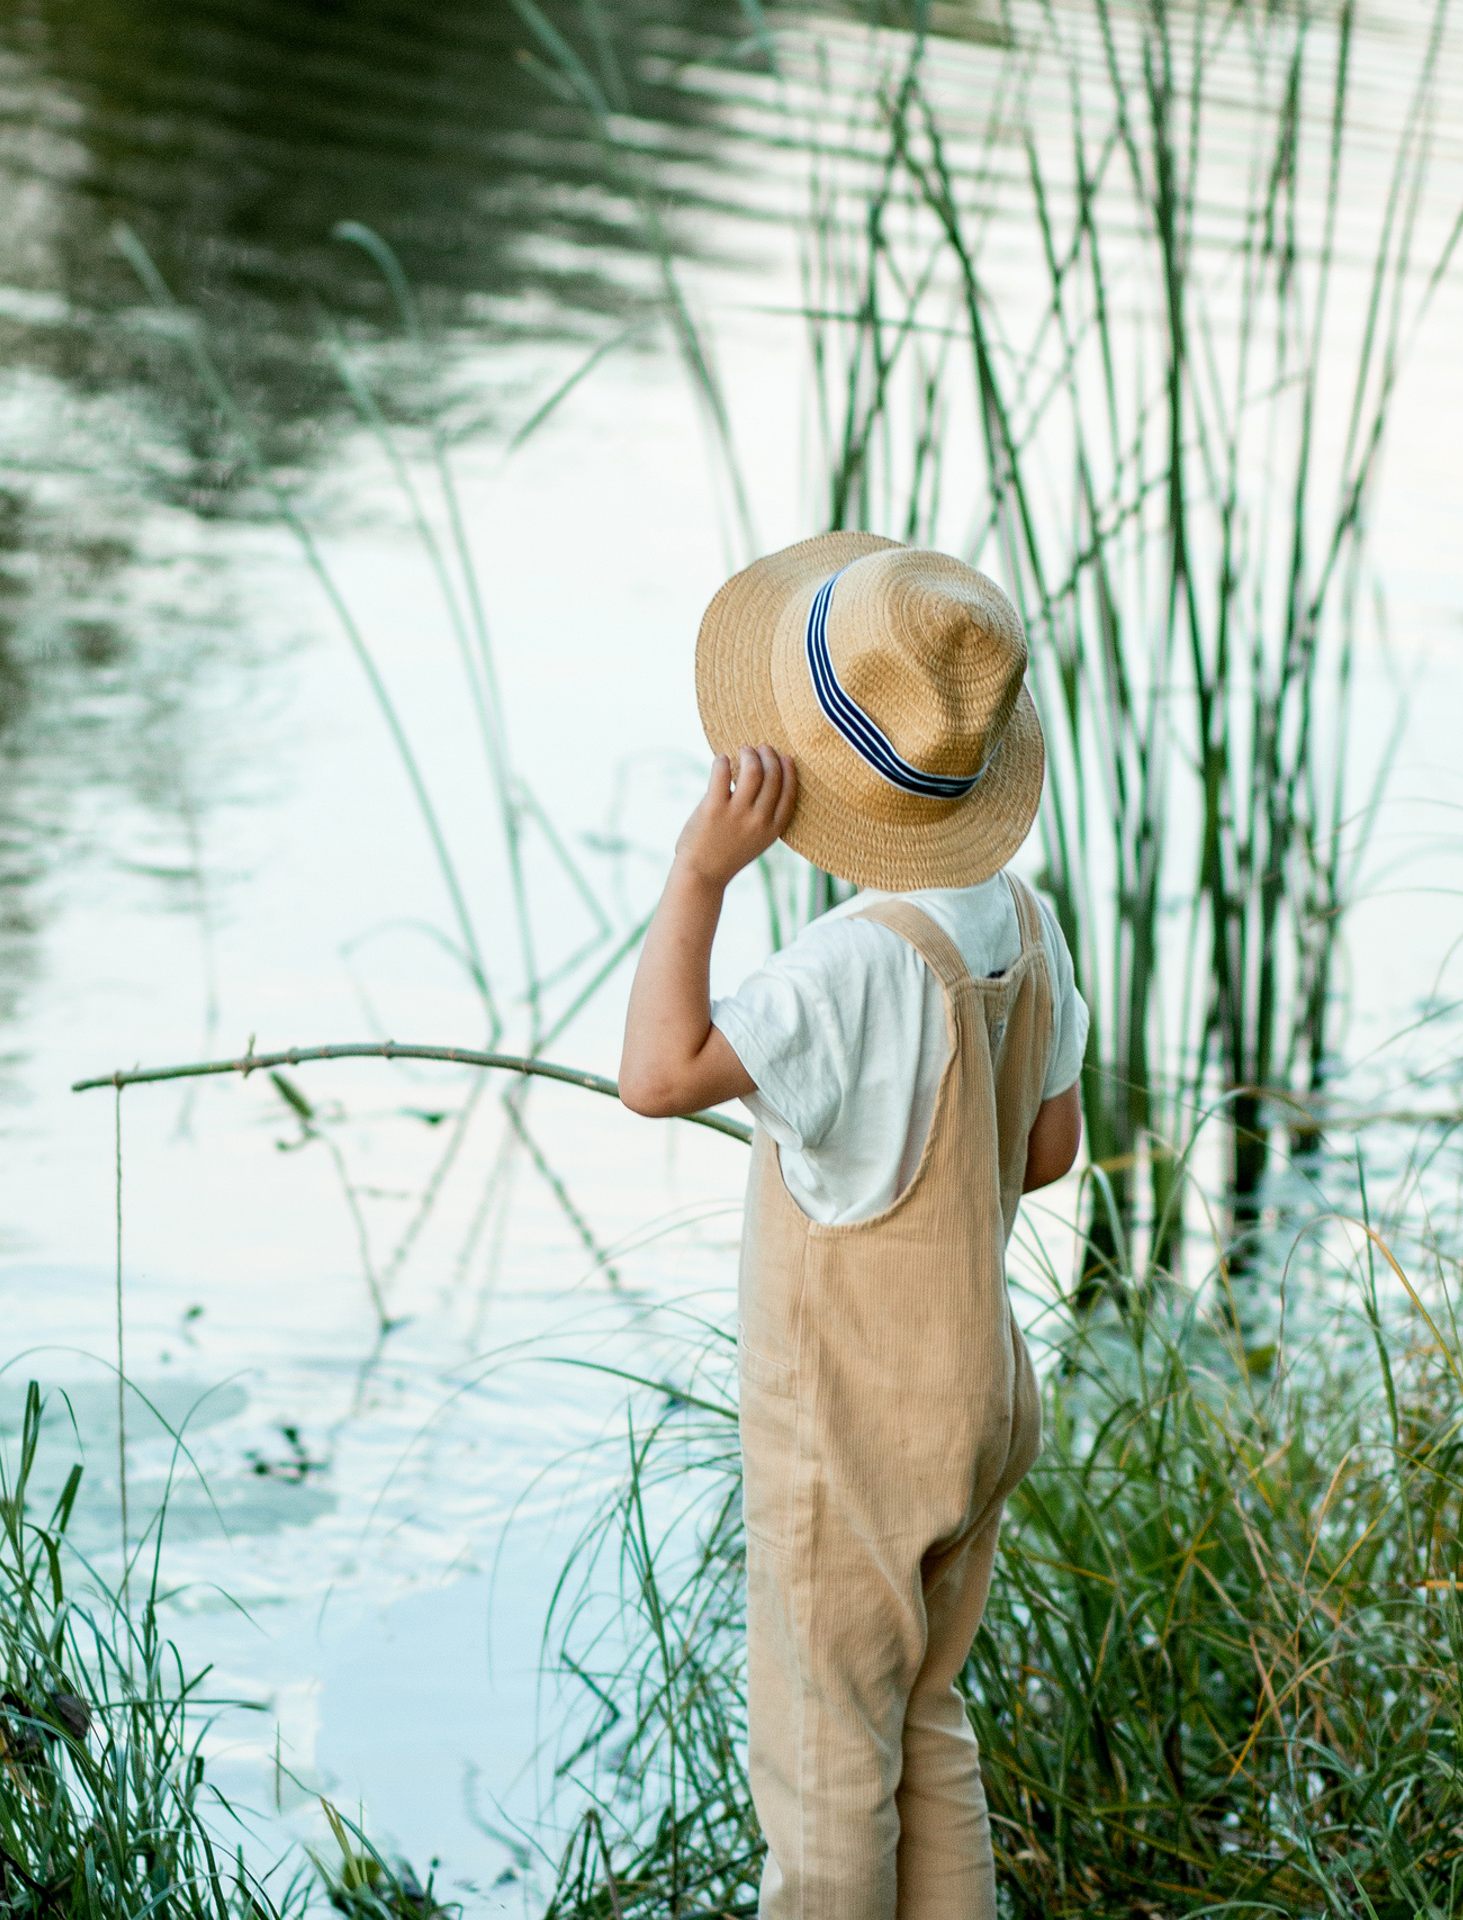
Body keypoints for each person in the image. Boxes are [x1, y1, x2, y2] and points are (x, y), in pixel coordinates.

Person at [618, 533, 1089, 1920]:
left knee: (825, 1773)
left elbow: (656, 1074)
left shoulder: (843, 970)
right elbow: (1048, 1153)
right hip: (981, 1406)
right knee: (926, 1723)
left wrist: (701, 875)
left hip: (852, 1442)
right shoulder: (1024, 923)